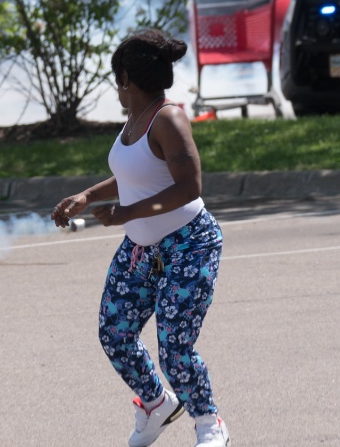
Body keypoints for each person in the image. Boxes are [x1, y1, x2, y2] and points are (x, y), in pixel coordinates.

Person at [52, 29, 230, 447]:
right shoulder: (136, 117)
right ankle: (155, 404)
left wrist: (126, 213)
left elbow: (190, 186)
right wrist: (86, 196)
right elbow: (137, 172)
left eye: (117, 78)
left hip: (189, 244)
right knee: (115, 332)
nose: (116, 86)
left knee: (174, 344)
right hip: (141, 250)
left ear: (126, 78)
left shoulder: (168, 117)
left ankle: (209, 423)